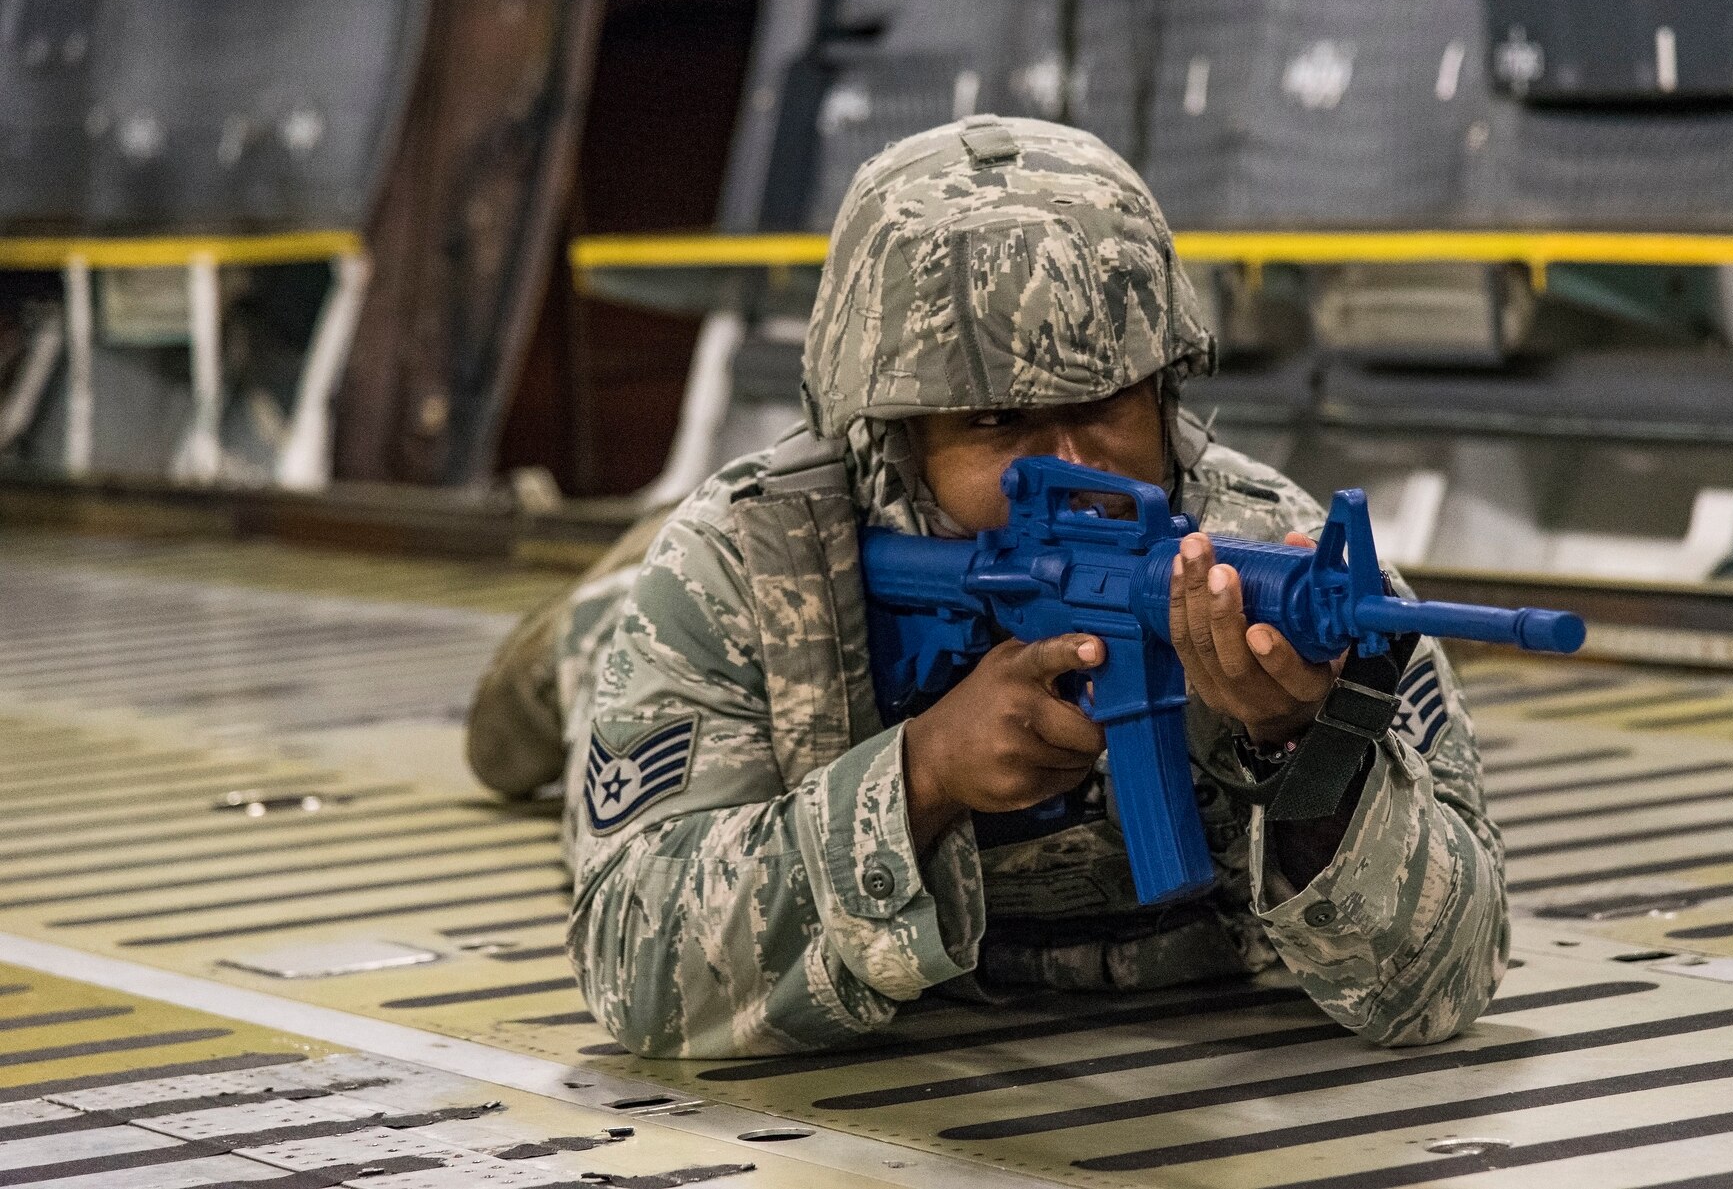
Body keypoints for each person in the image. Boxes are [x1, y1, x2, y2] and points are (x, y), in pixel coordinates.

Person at [469, 115, 1506, 1058]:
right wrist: (920, 777)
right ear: (894, 432)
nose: (1073, 464)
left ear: (1164, 385)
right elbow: (635, 973)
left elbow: (1447, 976)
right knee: (570, 678)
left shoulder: (1271, 556)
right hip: (680, 623)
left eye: (1104, 404)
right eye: (996, 423)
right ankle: (586, 612)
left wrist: (1307, 759)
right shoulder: (752, 563)